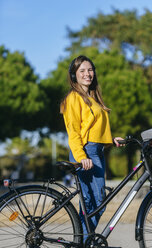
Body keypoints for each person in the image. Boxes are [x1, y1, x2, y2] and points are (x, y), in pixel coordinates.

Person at [60, 55, 124, 241]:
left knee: (93, 204)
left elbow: (91, 129)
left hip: (95, 151)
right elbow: (73, 131)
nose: (87, 74)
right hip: (86, 153)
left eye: (90, 70)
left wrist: (110, 140)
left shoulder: (91, 97)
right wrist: (81, 156)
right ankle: (82, 242)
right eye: (82, 71)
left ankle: (82, 241)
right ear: (74, 76)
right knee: (94, 204)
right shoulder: (74, 98)